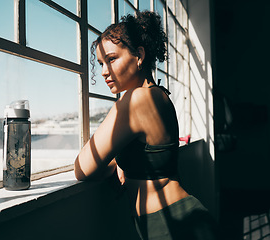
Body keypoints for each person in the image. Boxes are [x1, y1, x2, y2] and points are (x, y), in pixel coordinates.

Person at [74, 11, 217, 240]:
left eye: (111, 59)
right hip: (175, 220)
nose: (103, 72)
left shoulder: (137, 100)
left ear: (139, 56)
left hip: (177, 226)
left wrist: (113, 163)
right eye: (101, 63)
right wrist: (120, 161)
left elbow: (82, 168)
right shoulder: (157, 95)